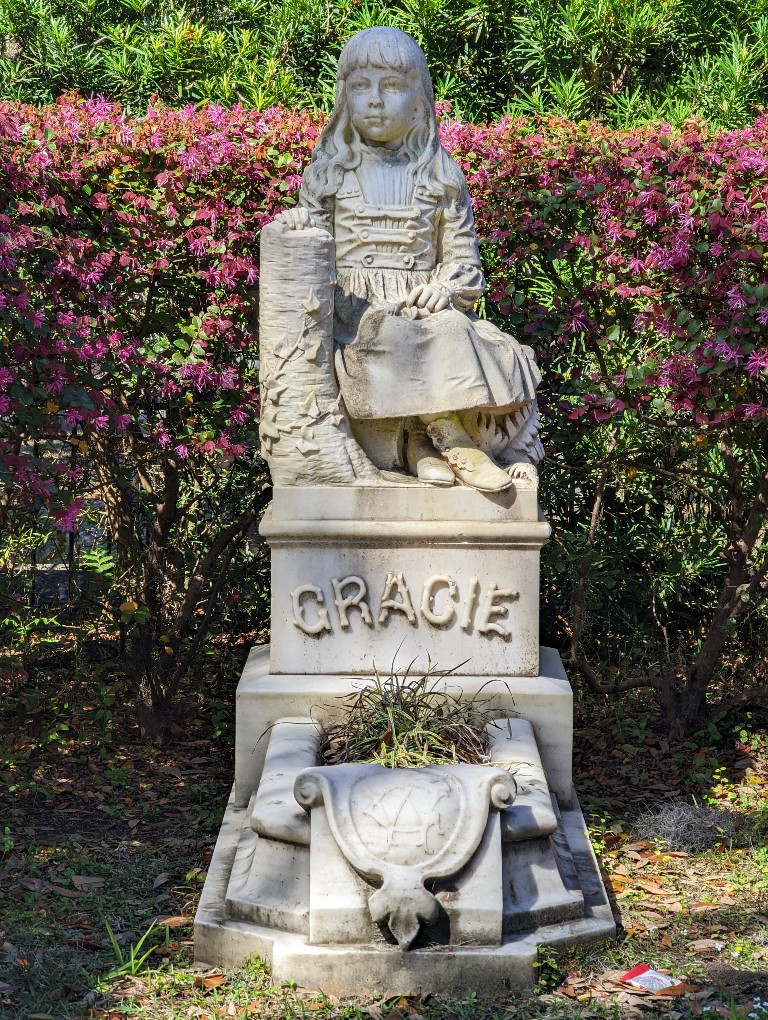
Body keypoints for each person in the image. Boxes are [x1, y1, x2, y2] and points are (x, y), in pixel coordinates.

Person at [276, 27, 540, 493]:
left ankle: (427, 447)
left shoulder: (440, 175)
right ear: (344, 97)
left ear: (418, 100)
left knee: (462, 333)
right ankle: (449, 441)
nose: (375, 100)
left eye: (391, 86)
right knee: (392, 334)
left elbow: (465, 264)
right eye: (361, 86)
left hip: (424, 306)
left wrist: (444, 288)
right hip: (356, 314)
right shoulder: (328, 174)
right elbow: (312, 248)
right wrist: (300, 224)